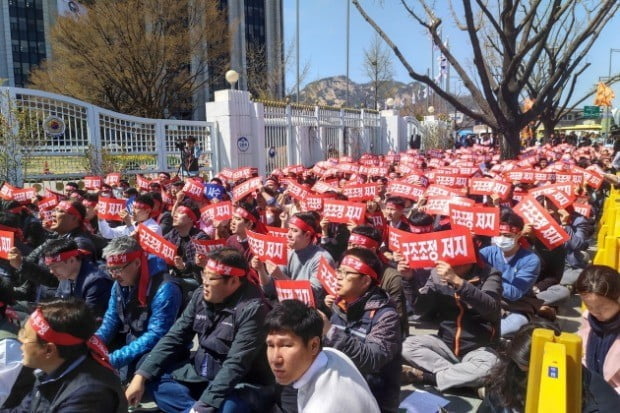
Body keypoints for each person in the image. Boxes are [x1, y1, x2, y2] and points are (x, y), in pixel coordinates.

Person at [124, 247, 274, 413]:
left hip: (239, 383)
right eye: (204, 275)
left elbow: (236, 365)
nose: (205, 283)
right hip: (200, 373)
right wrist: (140, 376)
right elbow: (174, 337)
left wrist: (203, 406)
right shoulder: (199, 296)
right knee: (151, 376)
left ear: (233, 281)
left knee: (229, 409)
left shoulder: (253, 310)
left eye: (212, 278)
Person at [400, 258, 502, 392]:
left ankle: (428, 378)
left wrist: (458, 282)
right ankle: (464, 382)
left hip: (479, 349)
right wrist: (409, 279)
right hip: (446, 345)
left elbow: (491, 309)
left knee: (489, 367)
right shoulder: (437, 274)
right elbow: (421, 309)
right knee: (406, 346)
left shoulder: (489, 273)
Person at [321, 248, 401, 412]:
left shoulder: (385, 316)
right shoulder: (340, 306)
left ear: (365, 281)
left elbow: (372, 359)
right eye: (339, 270)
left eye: (347, 273)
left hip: (372, 399)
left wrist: (330, 332)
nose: (338, 276)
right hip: (339, 389)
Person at [265, 300, 380, 413]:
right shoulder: (332, 354)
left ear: (314, 345)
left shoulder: (324, 406)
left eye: (286, 345)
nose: (275, 359)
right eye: (270, 345)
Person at [478, 322, 620, 412]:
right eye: (522, 371)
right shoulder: (512, 372)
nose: (525, 380)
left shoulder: (602, 403)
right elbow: (491, 405)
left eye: (532, 374)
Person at [95, 236, 182, 382]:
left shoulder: (165, 288)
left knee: (144, 378)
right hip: (132, 341)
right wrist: (94, 343)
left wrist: (116, 358)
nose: (113, 275)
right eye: (110, 269)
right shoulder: (120, 283)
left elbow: (157, 334)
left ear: (136, 263)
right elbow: (111, 318)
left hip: (158, 348)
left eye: (117, 269)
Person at [16, 298, 127, 412]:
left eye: (26, 337)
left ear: (49, 350)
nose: (20, 340)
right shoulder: (48, 370)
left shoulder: (88, 396)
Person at [8, 200, 100, 303]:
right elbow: (34, 259)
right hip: (45, 300)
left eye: (60, 211)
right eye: (54, 210)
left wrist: (22, 265)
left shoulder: (81, 244)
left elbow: (58, 279)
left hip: (63, 308)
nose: (53, 214)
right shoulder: (57, 237)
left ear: (74, 218)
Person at [479, 209, 542, 336]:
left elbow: (514, 293)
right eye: (500, 234)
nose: (502, 239)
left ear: (519, 235)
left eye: (508, 236)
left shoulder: (531, 260)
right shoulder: (487, 252)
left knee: (510, 326)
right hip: (487, 300)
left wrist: (490, 278)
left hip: (516, 306)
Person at [253, 212, 334, 301]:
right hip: (286, 306)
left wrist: (281, 276)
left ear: (307, 235)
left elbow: (311, 296)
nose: (289, 234)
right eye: (289, 229)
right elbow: (269, 290)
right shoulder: (288, 252)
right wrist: (260, 269)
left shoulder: (322, 259)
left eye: (294, 230)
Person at [575, 265, 620, 393]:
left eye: (603, 308)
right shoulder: (588, 320)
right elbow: (582, 356)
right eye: (589, 307)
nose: (596, 313)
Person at [41, 238, 112, 318]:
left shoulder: (96, 282)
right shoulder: (65, 276)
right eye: (49, 267)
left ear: (72, 260)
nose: (51, 271)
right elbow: (58, 304)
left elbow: (89, 318)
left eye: (55, 266)